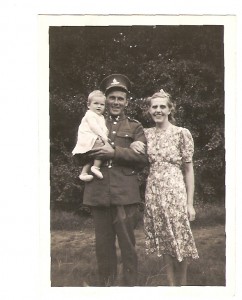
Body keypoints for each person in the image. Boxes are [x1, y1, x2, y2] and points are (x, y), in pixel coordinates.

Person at [75, 74, 148, 286]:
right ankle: (106, 288)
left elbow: (143, 158)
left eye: (120, 98)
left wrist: (114, 152)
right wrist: (94, 151)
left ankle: (130, 286)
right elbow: (79, 152)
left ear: (127, 101)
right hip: (98, 192)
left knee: (127, 243)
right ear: (105, 100)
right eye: (112, 98)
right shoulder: (93, 122)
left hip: (125, 194)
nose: (116, 102)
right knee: (103, 245)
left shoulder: (135, 127)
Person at [143, 89, 199, 286]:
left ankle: (182, 283)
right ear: (149, 110)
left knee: (180, 235)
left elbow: (189, 170)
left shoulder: (181, 133)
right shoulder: (146, 134)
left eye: (162, 106)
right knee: (165, 236)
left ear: (169, 109)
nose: (158, 110)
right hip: (154, 191)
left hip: (175, 191)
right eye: (154, 107)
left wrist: (190, 203)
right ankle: (170, 283)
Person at [72, 90, 109, 181]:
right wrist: (104, 136)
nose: (99, 106)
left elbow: (103, 127)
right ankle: (96, 167)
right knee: (101, 148)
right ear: (89, 105)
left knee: (91, 155)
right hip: (87, 137)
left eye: (102, 104)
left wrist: (105, 132)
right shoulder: (90, 115)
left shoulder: (101, 117)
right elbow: (94, 127)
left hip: (93, 137)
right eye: (96, 103)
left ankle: (84, 173)